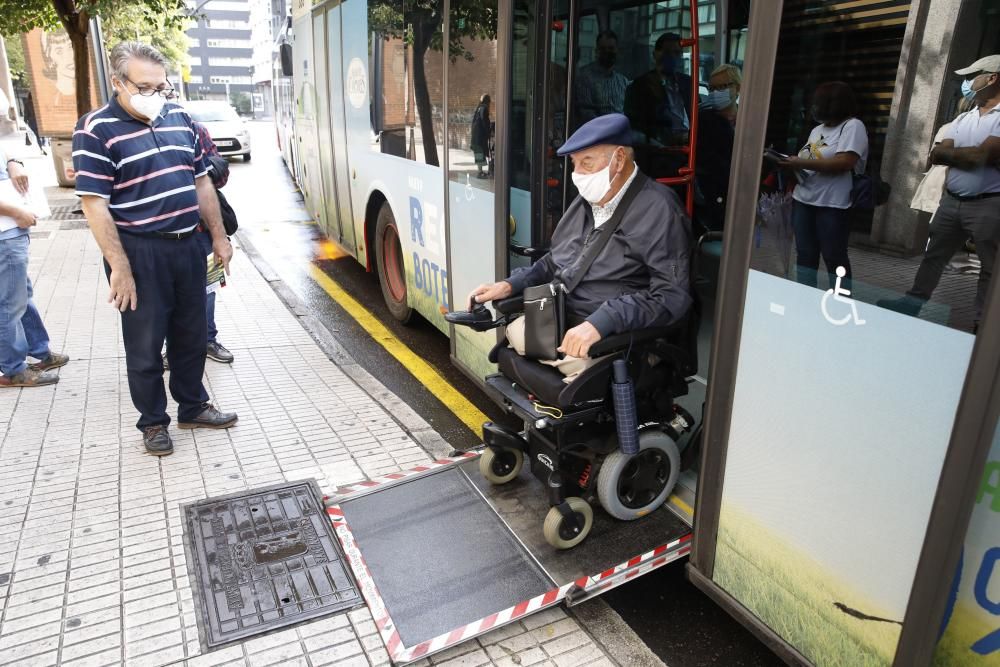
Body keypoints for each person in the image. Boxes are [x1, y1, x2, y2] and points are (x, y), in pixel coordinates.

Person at [72, 41, 237, 457]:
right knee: (145, 345)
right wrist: (119, 268)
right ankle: (153, 423)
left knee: (191, 333)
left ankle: (193, 405)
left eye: (161, 87)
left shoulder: (179, 116)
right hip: (140, 252)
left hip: (188, 244)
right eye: (145, 87)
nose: (155, 97)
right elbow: (95, 205)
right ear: (117, 82)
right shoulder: (95, 130)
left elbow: (202, 182)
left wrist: (218, 237)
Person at [467, 114, 692, 379]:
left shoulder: (659, 210)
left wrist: (604, 321)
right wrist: (511, 284)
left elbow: (671, 297)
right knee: (511, 338)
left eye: (587, 163)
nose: (578, 175)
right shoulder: (587, 200)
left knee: (538, 352)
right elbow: (555, 261)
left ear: (619, 159)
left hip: (612, 336)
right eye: (575, 165)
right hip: (560, 319)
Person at [880, 55, 1000, 331]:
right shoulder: (965, 116)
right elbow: (936, 154)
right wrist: (969, 155)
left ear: (992, 77)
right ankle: (912, 303)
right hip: (953, 201)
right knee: (934, 256)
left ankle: (983, 325)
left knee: (990, 268)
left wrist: (960, 154)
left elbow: (979, 156)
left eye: (974, 75)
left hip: (988, 205)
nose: (968, 82)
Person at [774, 81, 868, 289]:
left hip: (833, 204)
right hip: (804, 199)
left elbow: (845, 162)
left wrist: (799, 162)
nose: (814, 107)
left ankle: (841, 303)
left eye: (819, 103)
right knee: (805, 255)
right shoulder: (817, 130)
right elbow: (810, 159)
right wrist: (790, 164)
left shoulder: (853, 126)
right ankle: (805, 300)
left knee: (834, 256)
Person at [0, 151, 69, 387]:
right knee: (10, 303)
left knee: (21, 297)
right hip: (5, 233)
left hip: (11, 232)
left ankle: (39, 352)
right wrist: (17, 212)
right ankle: (13, 369)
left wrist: (13, 163)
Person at [624, 33, 693, 178]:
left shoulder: (687, 82)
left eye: (677, 53)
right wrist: (670, 138)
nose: (673, 57)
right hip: (661, 152)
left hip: (690, 147)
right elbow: (636, 127)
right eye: (667, 52)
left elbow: (696, 112)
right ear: (655, 54)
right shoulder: (640, 86)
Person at [696, 63, 742, 230]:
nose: (715, 93)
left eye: (722, 87)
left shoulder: (749, 117)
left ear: (737, 88)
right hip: (717, 193)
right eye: (712, 88)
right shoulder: (704, 121)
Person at [574, 31, 630, 124]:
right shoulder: (585, 78)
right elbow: (586, 114)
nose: (607, 52)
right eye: (603, 49)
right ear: (597, 51)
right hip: (598, 133)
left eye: (611, 48)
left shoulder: (623, 81)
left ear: (617, 50)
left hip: (620, 131)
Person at [470, 95, 491, 178]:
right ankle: (480, 173)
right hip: (479, 135)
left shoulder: (479, 108)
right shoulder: (484, 108)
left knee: (479, 153)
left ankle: (480, 171)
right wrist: (488, 131)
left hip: (476, 135)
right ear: (487, 101)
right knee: (480, 153)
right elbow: (484, 120)